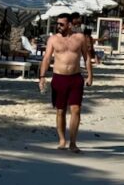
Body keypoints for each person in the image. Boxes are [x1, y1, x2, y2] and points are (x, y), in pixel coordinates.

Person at [39, 13, 93, 153]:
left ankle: (73, 143)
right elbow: (46, 59)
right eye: (57, 24)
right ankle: (62, 140)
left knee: (76, 110)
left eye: (61, 24)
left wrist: (90, 75)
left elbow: (87, 58)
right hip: (59, 78)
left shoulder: (79, 38)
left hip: (75, 78)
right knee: (60, 111)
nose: (58, 26)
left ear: (69, 24)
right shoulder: (53, 39)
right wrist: (42, 76)